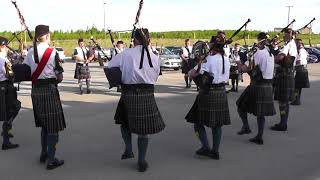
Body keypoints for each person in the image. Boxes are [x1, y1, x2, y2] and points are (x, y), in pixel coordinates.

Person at [108, 28, 165, 172]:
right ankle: (141, 160)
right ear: (149, 40)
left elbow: (110, 67)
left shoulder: (126, 53)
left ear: (135, 39)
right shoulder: (155, 56)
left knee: (124, 123)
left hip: (129, 94)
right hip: (147, 94)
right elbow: (156, 76)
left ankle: (128, 149)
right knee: (143, 131)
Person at [24, 25, 65, 170]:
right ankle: (52, 159)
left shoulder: (29, 52)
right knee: (53, 127)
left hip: (35, 91)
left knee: (44, 125)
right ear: (47, 36)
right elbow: (59, 77)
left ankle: (44, 153)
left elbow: (26, 70)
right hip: (49, 90)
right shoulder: (52, 52)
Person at [185, 37, 231, 160]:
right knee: (218, 125)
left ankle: (205, 147)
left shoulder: (208, 59)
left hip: (208, 93)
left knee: (197, 122)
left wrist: (197, 65)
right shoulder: (226, 59)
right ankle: (215, 151)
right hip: (221, 92)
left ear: (212, 46)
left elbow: (191, 74)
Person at [236, 32, 276, 145]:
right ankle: (259, 135)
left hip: (257, 85)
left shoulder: (258, 53)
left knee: (240, 105)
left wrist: (238, 62)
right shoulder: (270, 54)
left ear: (259, 40)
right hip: (268, 85)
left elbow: (245, 68)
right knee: (260, 113)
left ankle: (246, 127)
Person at [271, 28, 297, 131]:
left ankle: (283, 124)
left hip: (284, 75)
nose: (284, 37)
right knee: (284, 101)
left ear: (290, 35)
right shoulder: (292, 44)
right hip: (287, 74)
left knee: (282, 101)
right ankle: (283, 122)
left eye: (286, 35)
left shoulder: (289, 44)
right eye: (284, 35)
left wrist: (270, 59)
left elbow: (281, 56)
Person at [0, 36, 21, 150]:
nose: (8, 48)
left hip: (3, 86)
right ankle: (6, 136)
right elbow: (10, 74)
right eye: (6, 46)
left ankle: (6, 132)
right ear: (2, 46)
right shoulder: (2, 59)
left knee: (10, 110)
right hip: (5, 87)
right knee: (14, 108)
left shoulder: (3, 58)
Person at [291, 38, 310, 105]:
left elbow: (299, 61)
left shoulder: (301, 51)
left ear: (300, 43)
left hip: (301, 69)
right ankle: (297, 100)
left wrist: (293, 67)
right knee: (298, 87)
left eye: (296, 43)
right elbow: (307, 58)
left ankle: (297, 100)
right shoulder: (301, 50)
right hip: (302, 69)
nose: (295, 45)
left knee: (297, 87)